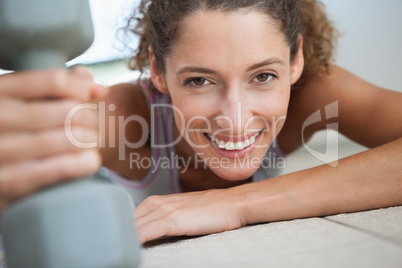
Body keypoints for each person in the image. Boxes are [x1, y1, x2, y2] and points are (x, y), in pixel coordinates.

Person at [0, 0, 401, 244]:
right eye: (199, 80)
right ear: (158, 70)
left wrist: (233, 204)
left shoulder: (312, 93)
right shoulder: (128, 115)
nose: (236, 118)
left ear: (295, 60)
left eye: (263, 76)